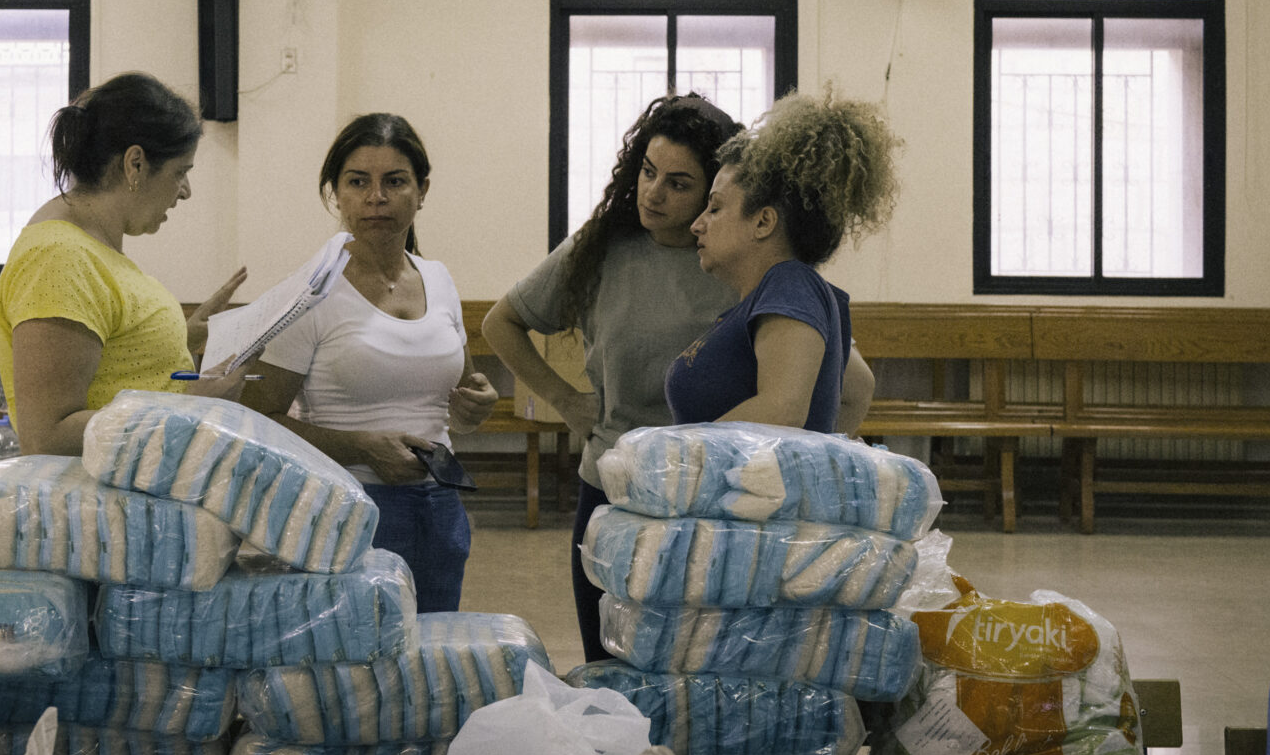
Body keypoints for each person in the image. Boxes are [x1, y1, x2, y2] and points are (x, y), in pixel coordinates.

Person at [484, 94, 743, 661]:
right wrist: (564, 400)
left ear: (712, 192)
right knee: (609, 665)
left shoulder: (739, 257)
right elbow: (501, 322)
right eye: (649, 172)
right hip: (613, 490)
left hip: (708, 499)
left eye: (679, 183)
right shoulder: (603, 247)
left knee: (697, 674)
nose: (654, 193)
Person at [243, 114, 499, 612]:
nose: (375, 197)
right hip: (349, 508)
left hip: (441, 508)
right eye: (358, 182)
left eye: (394, 181)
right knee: (360, 671)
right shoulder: (311, 293)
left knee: (430, 658)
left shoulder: (438, 278)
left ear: (421, 190)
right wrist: (361, 446)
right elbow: (262, 420)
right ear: (336, 194)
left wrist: (478, 404)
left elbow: (464, 386)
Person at [0, 73, 247, 457]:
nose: (185, 191)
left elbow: (113, 367)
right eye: (180, 172)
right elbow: (47, 436)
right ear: (135, 164)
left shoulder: (90, 247)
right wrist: (188, 406)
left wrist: (183, 335)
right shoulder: (59, 257)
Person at [668, 89, 897, 435]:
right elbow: (858, 386)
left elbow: (783, 410)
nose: (697, 225)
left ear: (763, 222)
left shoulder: (791, 284)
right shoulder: (774, 297)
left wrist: (674, 452)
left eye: (715, 208)